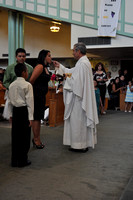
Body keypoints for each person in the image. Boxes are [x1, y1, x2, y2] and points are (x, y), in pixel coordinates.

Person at [54, 42, 98, 152]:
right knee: (78, 122)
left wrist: (64, 76)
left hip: (79, 99)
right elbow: (72, 74)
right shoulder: (82, 63)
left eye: (74, 50)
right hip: (80, 97)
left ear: (78, 51)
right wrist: (61, 67)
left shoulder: (83, 64)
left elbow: (76, 82)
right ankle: (80, 144)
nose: (73, 53)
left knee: (78, 122)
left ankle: (80, 145)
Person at [8, 63, 34, 167]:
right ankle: (23, 160)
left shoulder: (11, 85)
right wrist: (31, 117)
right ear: (24, 72)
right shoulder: (27, 85)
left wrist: (10, 114)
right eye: (27, 71)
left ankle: (14, 160)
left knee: (15, 136)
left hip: (15, 111)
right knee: (24, 136)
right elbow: (30, 102)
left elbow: (9, 101)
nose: (27, 73)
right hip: (24, 112)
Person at [3, 48, 33, 120]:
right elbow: (5, 81)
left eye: (23, 56)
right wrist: (12, 87)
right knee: (13, 114)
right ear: (16, 57)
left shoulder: (30, 68)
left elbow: (31, 80)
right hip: (13, 91)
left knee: (26, 110)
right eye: (20, 56)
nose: (22, 58)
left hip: (25, 91)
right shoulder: (10, 68)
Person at [29, 49, 51, 149]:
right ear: (44, 57)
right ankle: (36, 139)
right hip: (36, 95)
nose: (51, 57)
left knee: (38, 117)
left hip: (41, 95)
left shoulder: (46, 68)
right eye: (49, 56)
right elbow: (31, 81)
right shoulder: (40, 66)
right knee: (36, 118)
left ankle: (37, 138)